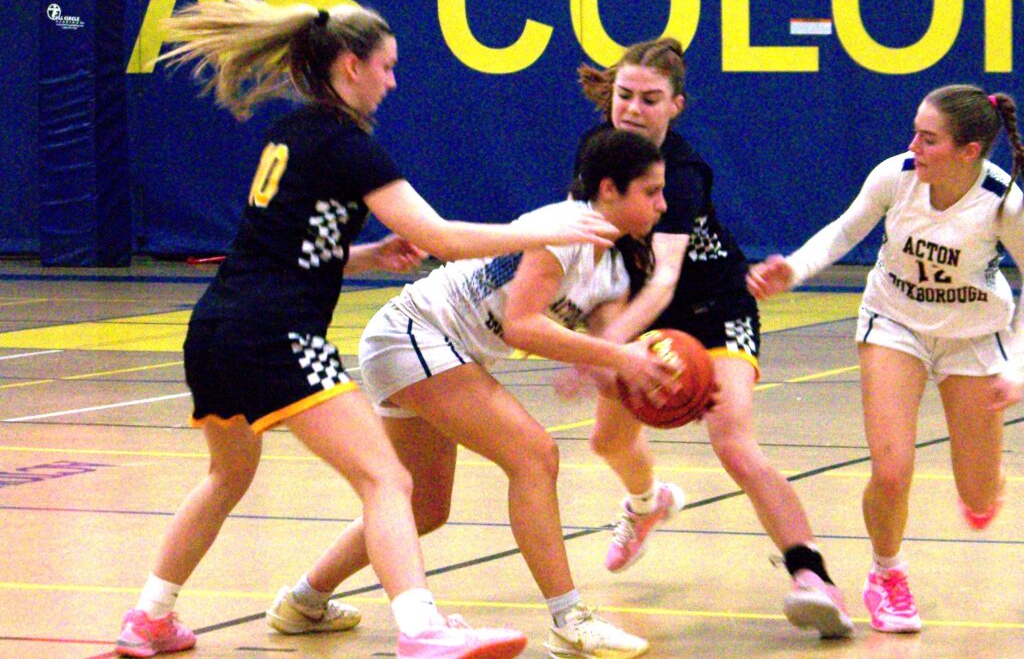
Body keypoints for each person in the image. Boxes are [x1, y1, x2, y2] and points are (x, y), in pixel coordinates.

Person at [114, 0, 623, 659]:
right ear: (351, 67)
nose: (392, 81)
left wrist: (371, 256)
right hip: (277, 335)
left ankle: (150, 617)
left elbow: (281, 245)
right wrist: (541, 231)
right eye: (386, 67)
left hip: (213, 329)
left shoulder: (289, 134)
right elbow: (438, 235)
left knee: (226, 478)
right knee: (389, 481)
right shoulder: (350, 146)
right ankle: (420, 629)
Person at [263, 127, 687, 659]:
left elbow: (602, 355)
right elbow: (521, 326)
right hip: (415, 333)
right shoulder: (563, 231)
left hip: (425, 345)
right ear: (608, 189)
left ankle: (303, 601)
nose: (663, 204)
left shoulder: (608, 268)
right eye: (651, 191)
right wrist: (619, 357)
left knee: (423, 506)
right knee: (536, 456)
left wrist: (660, 384)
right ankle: (569, 620)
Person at [570, 38, 854, 639]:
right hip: (646, 312)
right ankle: (647, 506)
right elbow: (596, 259)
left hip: (715, 307)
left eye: (651, 99)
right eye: (625, 95)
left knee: (732, 441)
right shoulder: (596, 153)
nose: (633, 108)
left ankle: (813, 576)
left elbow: (666, 275)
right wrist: (596, 337)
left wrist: (604, 347)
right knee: (607, 441)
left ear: (675, 105)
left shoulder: (685, 171)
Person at [747, 84, 1024, 634]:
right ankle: (886, 574)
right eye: (915, 132)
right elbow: (845, 231)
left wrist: (1015, 365)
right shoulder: (895, 175)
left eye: (928, 138)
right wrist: (794, 270)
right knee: (891, 469)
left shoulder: (1004, 202)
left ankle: (987, 484)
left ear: (969, 151)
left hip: (973, 336)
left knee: (977, 490)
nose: (913, 145)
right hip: (894, 321)